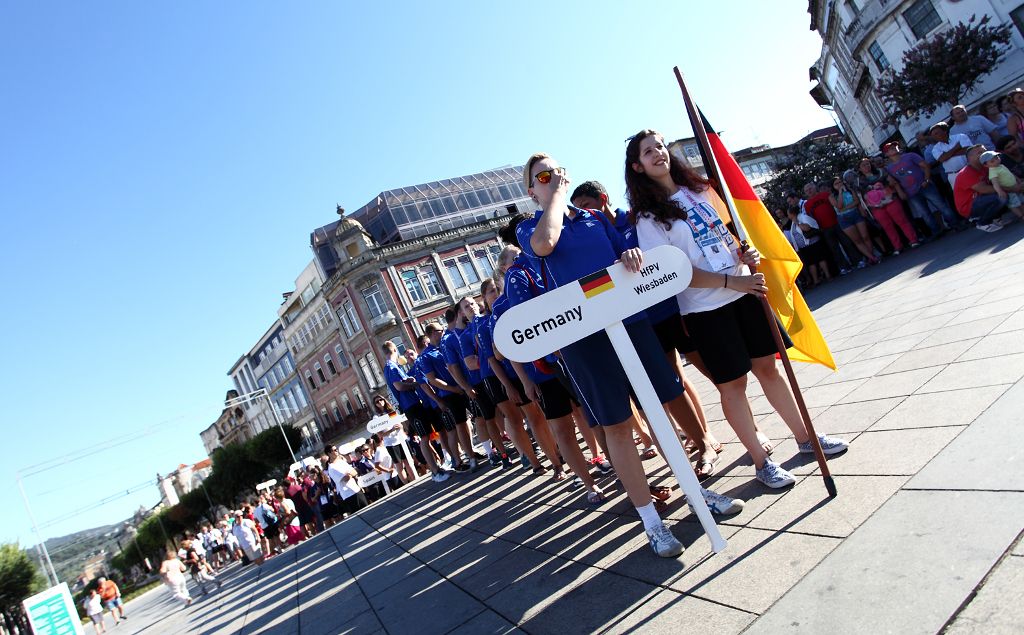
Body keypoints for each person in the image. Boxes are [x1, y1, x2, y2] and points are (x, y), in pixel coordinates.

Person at [516, 151, 743, 558]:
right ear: (531, 190)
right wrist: (552, 199)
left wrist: (629, 254)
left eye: (557, 172)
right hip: (583, 337)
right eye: (542, 177)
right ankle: (652, 523)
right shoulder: (530, 226)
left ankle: (696, 491)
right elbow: (545, 246)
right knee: (618, 425)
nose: (553, 179)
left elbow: (624, 251)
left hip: (629, 320)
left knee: (657, 408)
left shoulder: (593, 218)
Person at [625, 129, 849, 491]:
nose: (658, 154)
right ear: (637, 166)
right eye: (648, 152)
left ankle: (806, 437)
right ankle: (762, 461)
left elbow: (725, 235)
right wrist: (732, 284)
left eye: (661, 147)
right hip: (707, 309)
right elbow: (673, 274)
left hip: (746, 288)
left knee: (769, 368)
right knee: (733, 385)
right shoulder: (648, 219)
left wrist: (745, 256)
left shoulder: (699, 191)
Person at [569, 179, 726, 477]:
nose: (582, 213)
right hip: (643, 322)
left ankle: (722, 432)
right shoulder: (592, 233)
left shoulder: (634, 218)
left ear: (602, 199)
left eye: (586, 206)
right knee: (670, 380)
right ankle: (695, 440)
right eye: (577, 209)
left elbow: (662, 260)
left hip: (670, 310)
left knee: (711, 372)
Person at [883, 141, 959, 235]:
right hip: (911, 193)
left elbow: (926, 166)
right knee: (924, 213)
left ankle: (955, 224)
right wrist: (901, 192)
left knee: (941, 205)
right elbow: (894, 182)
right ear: (886, 154)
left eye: (894, 146)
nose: (894, 148)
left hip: (924, 186)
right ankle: (936, 231)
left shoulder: (910, 155)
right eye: (890, 149)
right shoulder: (889, 168)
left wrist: (926, 180)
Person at [954, 144, 1012, 232]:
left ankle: (996, 219)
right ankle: (983, 223)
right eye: (980, 152)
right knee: (1001, 197)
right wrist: (1013, 188)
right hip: (968, 206)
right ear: (970, 158)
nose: (985, 153)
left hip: (982, 198)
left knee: (1004, 194)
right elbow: (985, 189)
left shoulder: (986, 165)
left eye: (985, 151)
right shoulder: (965, 173)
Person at [802, 181, 853, 273]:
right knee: (834, 249)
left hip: (837, 223)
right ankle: (844, 267)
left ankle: (857, 261)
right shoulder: (807, 204)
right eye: (806, 190)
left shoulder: (825, 195)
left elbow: (836, 206)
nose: (809, 191)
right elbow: (810, 218)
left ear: (814, 187)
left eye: (810, 188)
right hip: (824, 229)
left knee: (847, 242)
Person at [829, 176, 878, 265]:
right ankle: (872, 257)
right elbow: (839, 206)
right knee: (857, 240)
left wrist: (846, 207)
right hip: (844, 219)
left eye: (840, 182)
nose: (839, 184)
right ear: (833, 186)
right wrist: (840, 192)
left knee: (865, 236)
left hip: (855, 214)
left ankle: (871, 256)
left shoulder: (850, 190)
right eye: (836, 183)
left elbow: (856, 201)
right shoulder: (832, 196)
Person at [863, 182, 919, 254]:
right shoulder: (858, 180)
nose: (866, 169)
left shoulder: (881, 172)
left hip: (890, 200)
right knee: (887, 227)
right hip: (875, 207)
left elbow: (892, 182)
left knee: (902, 221)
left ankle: (913, 240)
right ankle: (897, 246)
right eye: (862, 169)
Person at [372, 395, 415, 484]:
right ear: (375, 405)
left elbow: (399, 424)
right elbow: (380, 434)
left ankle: (415, 479)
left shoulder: (391, 412)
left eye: (381, 399)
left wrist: (401, 427)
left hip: (401, 439)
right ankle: (406, 483)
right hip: (391, 443)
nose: (380, 402)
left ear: (384, 400)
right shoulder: (377, 417)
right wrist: (391, 430)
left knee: (408, 461)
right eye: (377, 401)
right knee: (399, 465)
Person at [785, 207, 832, 285]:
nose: (788, 216)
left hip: (813, 243)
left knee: (820, 259)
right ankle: (816, 280)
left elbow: (807, 228)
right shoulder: (792, 222)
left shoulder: (802, 218)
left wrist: (797, 223)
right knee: (811, 263)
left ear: (792, 214)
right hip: (805, 247)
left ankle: (828, 276)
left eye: (788, 214)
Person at [980, 150, 1024, 219]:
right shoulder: (993, 171)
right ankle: (1021, 216)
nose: (996, 161)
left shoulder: (1001, 165)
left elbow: (1010, 173)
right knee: (1013, 205)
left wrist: (1018, 180)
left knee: (1021, 201)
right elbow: (995, 183)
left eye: (997, 158)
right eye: (992, 161)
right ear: (986, 165)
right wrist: (1000, 191)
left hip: (1015, 186)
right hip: (1009, 191)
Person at [326, 444, 368, 516]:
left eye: (336, 449)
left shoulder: (341, 461)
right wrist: (349, 473)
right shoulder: (332, 468)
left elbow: (354, 472)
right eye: (334, 450)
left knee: (367, 510)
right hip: (348, 494)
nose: (337, 451)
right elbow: (345, 478)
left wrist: (349, 474)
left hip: (356, 489)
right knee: (361, 516)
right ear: (329, 453)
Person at [929, 122, 973, 189]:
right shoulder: (935, 149)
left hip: (969, 169)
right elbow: (942, 159)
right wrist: (956, 147)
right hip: (954, 176)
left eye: (936, 133)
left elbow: (967, 150)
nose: (935, 136)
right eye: (933, 135)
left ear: (944, 131)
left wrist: (947, 155)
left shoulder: (960, 136)